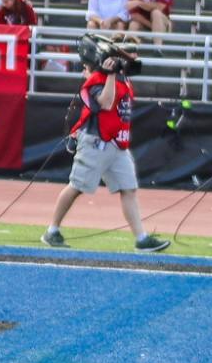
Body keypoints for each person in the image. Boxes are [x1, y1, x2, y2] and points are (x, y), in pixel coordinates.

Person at [41, 34, 166, 251]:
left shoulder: (123, 79)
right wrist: (109, 74)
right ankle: (52, 230)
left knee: (128, 188)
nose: (131, 61)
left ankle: (141, 238)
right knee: (76, 187)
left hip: (117, 144)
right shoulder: (98, 79)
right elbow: (106, 103)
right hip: (96, 142)